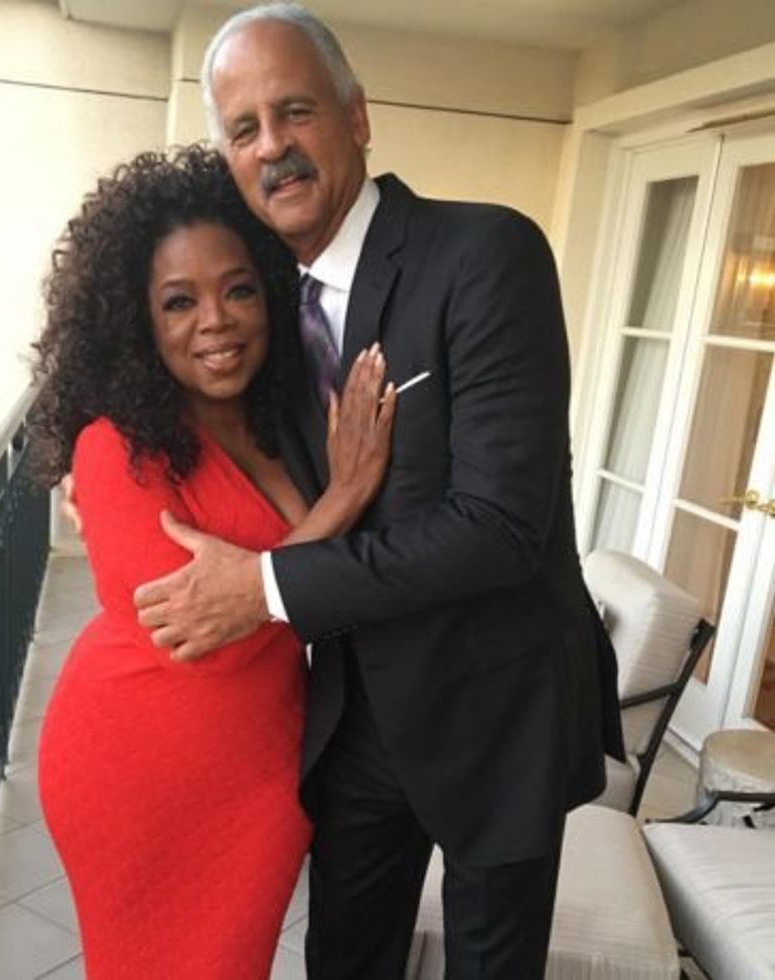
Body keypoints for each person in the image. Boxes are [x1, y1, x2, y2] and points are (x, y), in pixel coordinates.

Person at [128, 6, 626, 979]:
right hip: (353, 715)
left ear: (355, 117)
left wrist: (267, 587)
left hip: (494, 713)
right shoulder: (263, 306)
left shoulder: (485, 254)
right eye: (243, 128)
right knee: (342, 962)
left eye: (294, 111)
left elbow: (500, 526)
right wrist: (104, 446)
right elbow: (198, 392)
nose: (272, 146)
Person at [32, 145, 396, 979]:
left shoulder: (289, 421)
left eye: (237, 289)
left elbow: (315, 587)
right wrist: (344, 497)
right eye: (178, 301)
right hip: (136, 774)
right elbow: (196, 630)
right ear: (136, 321)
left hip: (263, 773)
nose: (216, 321)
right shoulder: (114, 448)